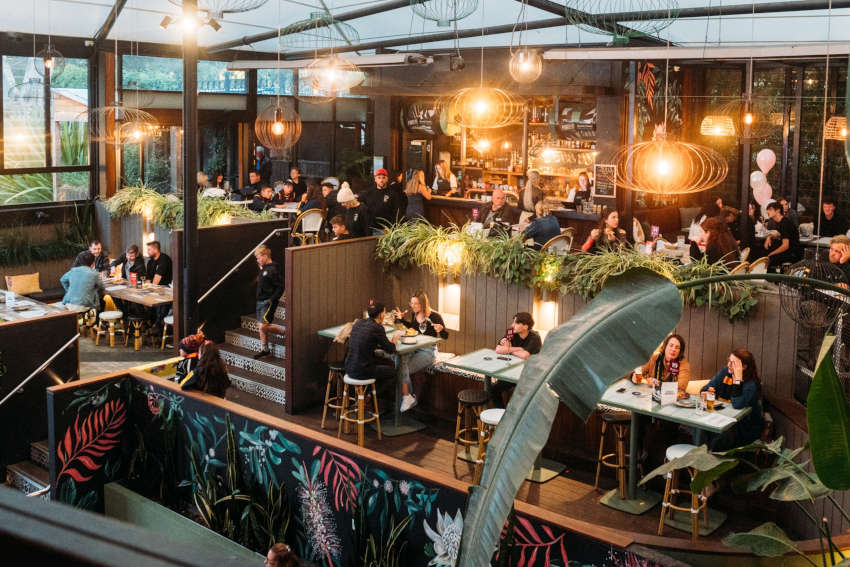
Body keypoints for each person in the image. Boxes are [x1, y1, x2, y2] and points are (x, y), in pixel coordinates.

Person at [392, 292, 448, 412]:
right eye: (411, 303)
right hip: (414, 347)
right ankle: (407, 396)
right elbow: (413, 329)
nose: (413, 306)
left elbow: (445, 336)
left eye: (416, 303)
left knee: (401, 369)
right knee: (399, 361)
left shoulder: (434, 316)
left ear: (423, 303)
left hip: (428, 351)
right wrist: (402, 320)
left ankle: (407, 396)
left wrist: (441, 329)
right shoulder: (415, 314)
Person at [701, 349, 764, 450]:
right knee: (701, 428)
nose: (729, 365)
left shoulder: (751, 384)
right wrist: (705, 393)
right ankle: (701, 455)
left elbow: (737, 404)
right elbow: (706, 388)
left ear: (744, 367)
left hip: (743, 427)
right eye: (729, 361)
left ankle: (709, 455)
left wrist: (738, 380)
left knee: (719, 439)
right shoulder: (725, 372)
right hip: (722, 419)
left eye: (733, 363)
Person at [345, 302, 402, 401]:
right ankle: (369, 397)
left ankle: (366, 396)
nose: (385, 315)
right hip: (362, 370)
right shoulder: (377, 328)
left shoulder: (359, 323)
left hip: (348, 367)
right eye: (384, 312)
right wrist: (395, 338)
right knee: (394, 373)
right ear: (380, 315)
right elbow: (391, 349)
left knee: (379, 364)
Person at [491, 312, 542, 408]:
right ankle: (502, 413)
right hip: (512, 372)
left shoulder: (535, 338)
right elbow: (498, 349)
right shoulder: (511, 332)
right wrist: (519, 349)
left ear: (525, 326)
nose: (512, 325)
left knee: (519, 397)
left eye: (516, 323)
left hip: (528, 375)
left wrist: (508, 350)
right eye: (513, 322)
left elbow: (525, 355)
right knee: (493, 389)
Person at [253, 245, 285, 360]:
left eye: (259, 257)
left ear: (265, 256)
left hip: (268, 302)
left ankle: (284, 332)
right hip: (260, 301)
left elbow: (281, 287)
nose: (258, 260)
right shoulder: (264, 267)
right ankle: (265, 350)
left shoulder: (273, 269)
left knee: (263, 326)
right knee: (260, 326)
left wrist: (272, 299)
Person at [363, 168, 405, 233]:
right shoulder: (369, 193)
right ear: (375, 179)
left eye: (383, 178)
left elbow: (397, 213)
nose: (381, 180)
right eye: (379, 178)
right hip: (372, 230)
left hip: (387, 230)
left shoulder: (392, 194)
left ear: (387, 179)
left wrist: (392, 228)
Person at [764, 201, 802, 268]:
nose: (768, 212)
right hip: (787, 252)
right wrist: (769, 237)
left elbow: (785, 246)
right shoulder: (779, 222)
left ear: (778, 210)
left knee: (767, 258)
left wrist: (771, 254)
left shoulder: (785, 223)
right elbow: (777, 234)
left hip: (791, 254)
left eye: (770, 210)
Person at [146, 240, 173, 332]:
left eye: (149, 250)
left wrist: (150, 290)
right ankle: (150, 323)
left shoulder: (164, 259)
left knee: (159, 303)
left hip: (166, 288)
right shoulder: (150, 262)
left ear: (155, 250)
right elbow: (148, 278)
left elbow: (157, 278)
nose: (147, 252)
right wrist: (147, 289)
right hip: (155, 288)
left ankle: (157, 325)